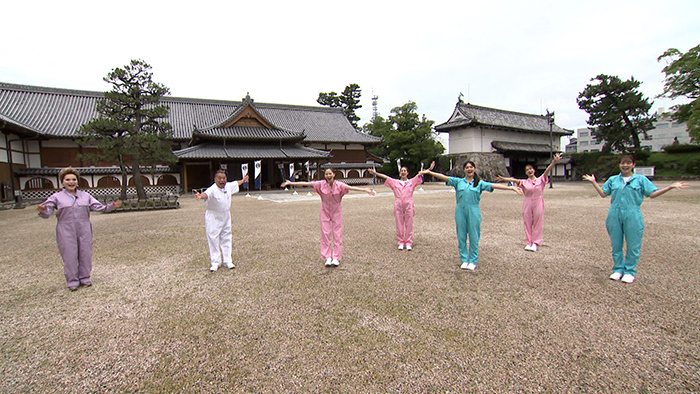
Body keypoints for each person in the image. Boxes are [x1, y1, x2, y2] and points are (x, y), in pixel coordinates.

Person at [583, 155, 689, 284]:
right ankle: (618, 269)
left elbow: (652, 194)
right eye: (623, 163)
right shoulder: (613, 179)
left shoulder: (640, 179)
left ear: (634, 165)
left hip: (633, 212)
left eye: (628, 163)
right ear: (619, 165)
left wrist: (670, 187)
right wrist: (594, 182)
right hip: (614, 212)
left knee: (633, 244)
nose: (625, 165)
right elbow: (603, 194)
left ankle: (629, 271)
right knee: (616, 243)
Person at [420, 161, 523, 271]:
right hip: (460, 210)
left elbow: (493, 185)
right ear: (464, 170)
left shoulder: (479, 183)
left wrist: (511, 188)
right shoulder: (458, 182)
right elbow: (444, 177)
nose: (469, 169)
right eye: (467, 167)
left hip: (473, 210)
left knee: (474, 236)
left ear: (474, 169)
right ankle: (464, 259)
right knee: (461, 236)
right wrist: (429, 173)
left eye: (471, 167)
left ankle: (473, 260)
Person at [37, 167, 122, 291]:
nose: (71, 182)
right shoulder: (56, 197)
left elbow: (98, 207)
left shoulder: (85, 196)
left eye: (73, 179)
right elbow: (47, 211)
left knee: (85, 253)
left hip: (84, 227)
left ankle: (85, 278)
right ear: (62, 182)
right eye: (67, 180)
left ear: (77, 181)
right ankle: (72, 281)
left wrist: (111, 206)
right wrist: (43, 210)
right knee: (69, 254)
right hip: (65, 228)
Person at [281, 168, 375, 267]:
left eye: (330, 173)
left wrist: (365, 189)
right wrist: (291, 183)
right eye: (326, 174)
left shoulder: (339, 185)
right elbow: (307, 183)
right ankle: (327, 257)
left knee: (337, 234)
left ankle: (336, 257)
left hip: (336, 211)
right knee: (325, 233)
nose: (328, 176)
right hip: (324, 211)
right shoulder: (321, 184)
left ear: (334, 174)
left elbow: (351, 187)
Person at [495, 153, 562, 252]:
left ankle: (535, 242)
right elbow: (515, 180)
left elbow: (547, 170)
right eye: (527, 170)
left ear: (534, 170)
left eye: (530, 169)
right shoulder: (525, 182)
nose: (529, 171)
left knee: (538, 222)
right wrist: (504, 178)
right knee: (527, 222)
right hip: (528, 202)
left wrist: (554, 162)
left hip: (538, 201)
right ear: (526, 173)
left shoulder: (541, 180)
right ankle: (528, 242)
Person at [368, 161, 434, 251]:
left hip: (409, 204)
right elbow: (385, 177)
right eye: (402, 171)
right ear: (400, 173)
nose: (403, 172)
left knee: (409, 223)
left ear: (407, 173)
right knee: (399, 224)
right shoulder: (395, 182)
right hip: (398, 204)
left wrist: (430, 169)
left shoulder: (411, 181)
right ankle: (401, 242)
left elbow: (421, 173)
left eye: (405, 171)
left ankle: (408, 242)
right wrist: (375, 173)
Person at [194, 170, 249, 272]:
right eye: (219, 178)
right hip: (213, 216)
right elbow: (205, 194)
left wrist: (243, 180)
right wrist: (200, 196)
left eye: (224, 178)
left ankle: (227, 260)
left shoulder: (228, 186)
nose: (222, 180)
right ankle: (215, 262)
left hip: (226, 215)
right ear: (215, 179)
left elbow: (236, 183)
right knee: (213, 238)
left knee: (226, 236)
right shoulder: (212, 189)